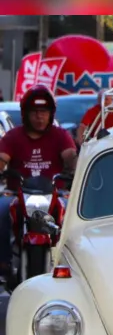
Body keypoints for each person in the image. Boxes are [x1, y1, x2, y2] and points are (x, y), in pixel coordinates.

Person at [0, 84, 77, 280]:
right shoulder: (13, 136)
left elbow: (69, 155)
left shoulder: (60, 136)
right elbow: (3, 158)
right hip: (17, 194)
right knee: (1, 209)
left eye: (44, 112)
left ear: (51, 114)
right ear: (25, 114)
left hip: (55, 195)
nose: (40, 117)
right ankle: (4, 262)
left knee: (73, 214)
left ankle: (70, 262)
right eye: (35, 112)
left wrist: (74, 166)